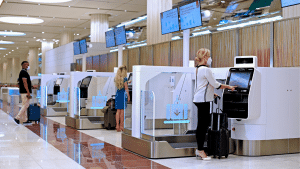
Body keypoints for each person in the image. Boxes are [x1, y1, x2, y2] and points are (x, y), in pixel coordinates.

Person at [193, 48, 236, 160]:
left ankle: (199, 149)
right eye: (209, 56)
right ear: (205, 57)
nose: (210, 59)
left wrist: (212, 94)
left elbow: (203, 85)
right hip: (203, 100)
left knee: (201, 125)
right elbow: (216, 84)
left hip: (199, 98)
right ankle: (201, 150)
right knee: (203, 126)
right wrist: (229, 86)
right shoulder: (206, 70)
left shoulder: (197, 69)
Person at [114, 65, 130, 132]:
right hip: (123, 96)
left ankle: (117, 126)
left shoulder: (116, 78)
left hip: (118, 95)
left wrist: (127, 82)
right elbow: (126, 88)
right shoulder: (125, 78)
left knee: (118, 111)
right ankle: (121, 126)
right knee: (122, 112)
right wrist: (128, 96)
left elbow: (120, 85)